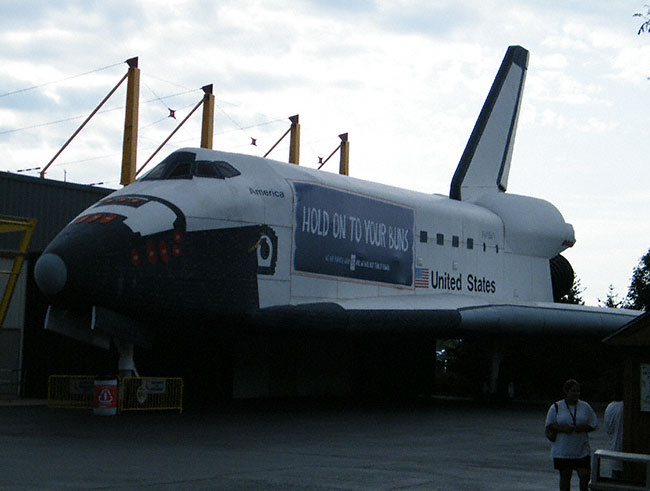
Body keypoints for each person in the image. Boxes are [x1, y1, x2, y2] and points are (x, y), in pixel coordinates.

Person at [545, 379, 598, 491]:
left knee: (584, 475)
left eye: (578, 391)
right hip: (563, 450)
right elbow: (549, 424)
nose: (576, 394)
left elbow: (594, 424)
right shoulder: (556, 407)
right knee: (565, 476)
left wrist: (583, 428)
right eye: (573, 391)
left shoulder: (585, 406)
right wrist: (562, 428)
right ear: (566, 391)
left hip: (581, 449)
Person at [604, 385, 624, 478]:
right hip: (622, 449)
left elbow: (608, 429)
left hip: (614, 449)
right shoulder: (624, 407)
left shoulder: (610, 407)